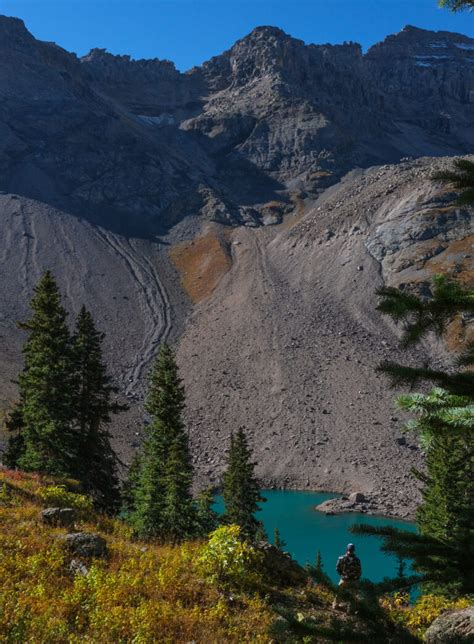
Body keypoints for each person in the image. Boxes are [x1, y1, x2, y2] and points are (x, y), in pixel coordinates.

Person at [332, 543, 362, 610]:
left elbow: (337, 568)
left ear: (347, 549)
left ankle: (335, 605)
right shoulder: (357, 560)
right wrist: (356, 577)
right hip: (354, 580)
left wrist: (342, 575)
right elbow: (359, 571)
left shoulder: (341, 558)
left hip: (344, 579)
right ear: (354, 550)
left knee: (339, 592)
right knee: (353, 595)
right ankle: (351, 609)